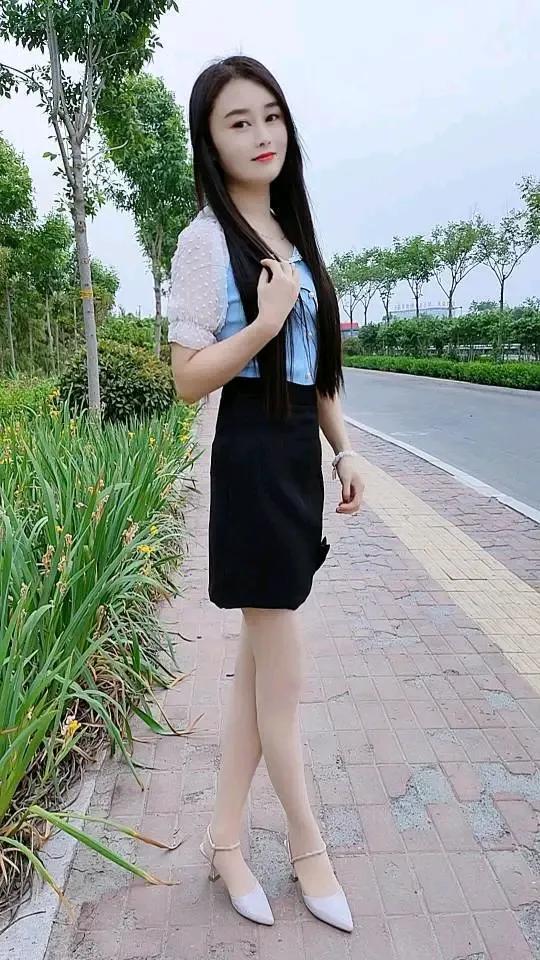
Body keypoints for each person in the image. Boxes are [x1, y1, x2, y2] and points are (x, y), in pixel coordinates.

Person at [168, 55, 364, 933]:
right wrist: (265, 320)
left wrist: (344, 449)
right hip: (249, 453)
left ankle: (223, 841)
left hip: (294, 457)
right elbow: (187, 379)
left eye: (270, 116)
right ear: (210, 142)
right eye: (238, 122)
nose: (260, 135)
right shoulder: (206, 241)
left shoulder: (291, 228)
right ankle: (308, 848)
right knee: (283, 681)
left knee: (258, 675)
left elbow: (315, 368)